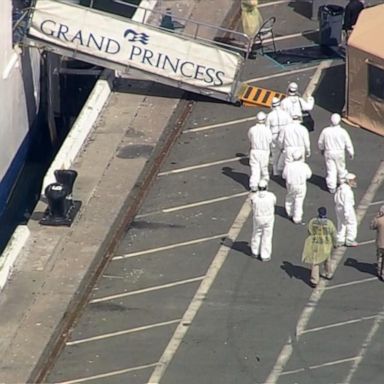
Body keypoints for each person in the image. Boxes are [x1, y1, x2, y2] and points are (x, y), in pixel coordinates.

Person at [318, 113, 355, 194]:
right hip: (340, 152)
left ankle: (332, 187)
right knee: (341, 168)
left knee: (331, 170)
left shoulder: (326, 131)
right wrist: (351, 152)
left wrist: (321, 149)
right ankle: (342, 184)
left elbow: (320, 142)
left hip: (329, 152)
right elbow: (348, 143)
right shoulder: (343, 132)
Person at [302, 207, 337, 288]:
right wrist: (335, 243)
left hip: (316, 244)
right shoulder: (329, 223)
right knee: (327, 260)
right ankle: (329, 274)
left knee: (315, 262)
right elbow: (334, 234)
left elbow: (309, 231)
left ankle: (314, 280)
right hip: (326, 244)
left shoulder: (313, 221)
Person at [282, 151, 312, 224]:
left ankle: (290, 213)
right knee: (299, 200)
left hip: (291, 185)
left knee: (290, 198)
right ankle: (297, 218)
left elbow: (284, 176)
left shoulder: (288, 166)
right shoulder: (304, 166)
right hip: (301, 185)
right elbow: (309, 175)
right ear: (301, 157)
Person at [250, 180, 276, 261]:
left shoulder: (254, 197)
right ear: (266, 187)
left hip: (258, 217)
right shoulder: (271, 196)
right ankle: (265, 255)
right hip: (268, 218)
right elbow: (274, 203)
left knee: (256, 234)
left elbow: (251, 205)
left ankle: (255, 252)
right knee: (267, 236)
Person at [266, 97, 292, 176]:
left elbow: (267, 129)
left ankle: (275, 171)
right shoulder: (286, 114)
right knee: (285, 154)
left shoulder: (269, 116)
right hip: (284, 136)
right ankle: (285, 171)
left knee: (275, 154)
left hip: (273, 136)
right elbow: (290, 126)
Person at [248, 111, 272, 190]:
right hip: (264, 151)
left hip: (254, 150)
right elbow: (270, 140)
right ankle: (264, 183)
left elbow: (250, 138)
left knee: (255, 168)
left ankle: (253, 185)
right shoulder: (267, 130)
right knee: (264, 168)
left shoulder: (252, 129)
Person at [334, 173, 358, 247]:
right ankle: (350, 240)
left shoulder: (340, 188)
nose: (354, 182)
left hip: (338, 207)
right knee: (352, 223)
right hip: (346, 209)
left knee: (341, 223)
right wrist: (347, 214)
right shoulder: (347, 192)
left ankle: (340, 239)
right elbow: (347, 204)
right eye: (352, 180)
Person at [370, 205, 384, 281]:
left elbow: (371, 226)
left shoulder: (378, 220)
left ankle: (379, 272)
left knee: (380, 258)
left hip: (380, 243)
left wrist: (376, 217)